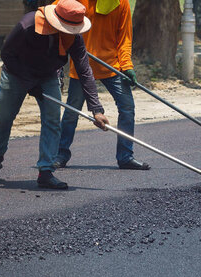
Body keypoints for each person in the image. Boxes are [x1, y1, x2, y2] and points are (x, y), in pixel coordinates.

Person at [0, 0, 109, 190]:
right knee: (2, 118)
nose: (71, 32)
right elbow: (7, 54)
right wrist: (29, 84)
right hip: (16, 73)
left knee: (52, 120)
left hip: (48, 75)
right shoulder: (28, 25)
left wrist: (96, 109)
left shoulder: (74, 37)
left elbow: (84, 70)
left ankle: (45, 171)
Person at [53, 0, 150, 170]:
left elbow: (125, 37)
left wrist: (127, 66)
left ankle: (125, 157)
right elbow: (54, 13)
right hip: (81, 65)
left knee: (127, 108)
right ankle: (60, 154)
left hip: (112, 65)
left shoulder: (121, 3)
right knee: (71, 112)